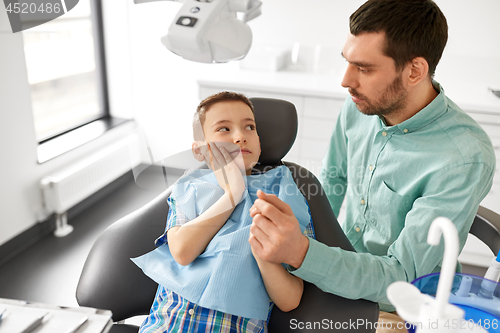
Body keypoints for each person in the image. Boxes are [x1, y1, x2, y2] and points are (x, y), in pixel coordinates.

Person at [248, 1, 496, 332]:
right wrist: (301, 235)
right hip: (327, 269)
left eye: (364, 69)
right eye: (348, 62)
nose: (346, 80)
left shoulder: (462, 156)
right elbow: (332, 179)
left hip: (395, 306)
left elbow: (403, 278)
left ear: (414, 71)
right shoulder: (361, 106)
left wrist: (303, 253)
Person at [132, 91, 315, 333]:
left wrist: (262, 251)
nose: (240, 137)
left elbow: (290, 299)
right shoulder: (189, 188)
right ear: (200, 151)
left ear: (260, 141)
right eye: (224, 129)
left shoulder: (287, 196)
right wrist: (232, 195)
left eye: (249, 127)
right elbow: (182, 252)